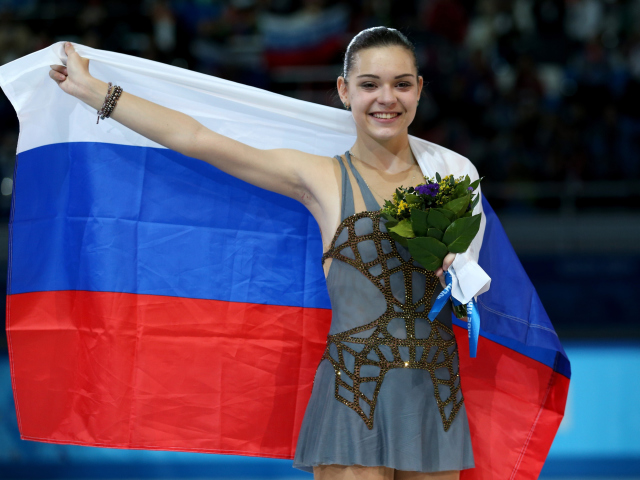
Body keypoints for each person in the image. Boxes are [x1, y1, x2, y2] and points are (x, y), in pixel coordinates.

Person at [49, 27, 480, 480]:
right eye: (369, 84)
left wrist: (457, 276)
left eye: (401, 84)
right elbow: (199, 139)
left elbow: (468, 294)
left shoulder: (451, 178)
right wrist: (93, 91)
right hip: (356, 390)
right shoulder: (321, 178)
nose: (386, 98)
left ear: (419, 90)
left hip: (434, 391)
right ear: (344, 89)